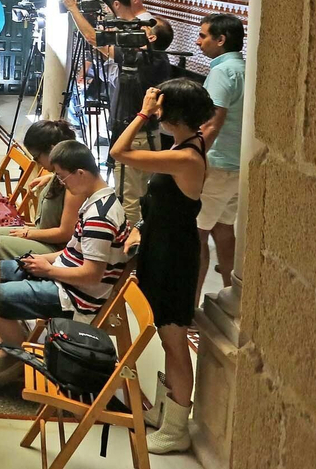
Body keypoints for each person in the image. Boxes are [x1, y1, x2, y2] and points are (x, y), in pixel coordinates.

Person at [0, 140, 130, 391]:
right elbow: (73, 252)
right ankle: (13, 342)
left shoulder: (100, 217)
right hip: (62, 276)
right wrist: (44, 261)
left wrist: (47, 270)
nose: (61, 183)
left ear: (80, 173)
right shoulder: (96, 202)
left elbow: (91, 275)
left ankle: (18, 359)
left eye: (61, 177)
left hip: (74, 296)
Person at [112, 80, 212, 454]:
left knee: (174, 341)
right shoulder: (187, 143)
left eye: (161, 106)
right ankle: (168, 410)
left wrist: (140, 113)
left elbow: (119, 152)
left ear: (173, 114)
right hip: (162, 247)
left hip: (174, 258)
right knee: (166, 336)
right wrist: (140, 230)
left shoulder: (186, 156)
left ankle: (176, 428)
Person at [61, 0, 173, 225]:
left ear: (151, 37)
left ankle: (127, 251)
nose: (136, 30)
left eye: (142, 29)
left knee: (129, 197)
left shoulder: (143, 58)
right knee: (141, 192)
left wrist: (73, 9)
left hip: (134, 135)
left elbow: (93, 39)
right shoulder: (160, 59)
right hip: (148, 134)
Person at [195, 13, 246, 301]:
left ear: (221, 39)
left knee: (196, 235)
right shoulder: (243, 67)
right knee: (224, 232)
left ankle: (188, 309)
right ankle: (233, 299)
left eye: (203, 36)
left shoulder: (222, 72)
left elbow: (212, 123)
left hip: (217, 165)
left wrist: (194, 161)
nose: (199, 41)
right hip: (236, 164)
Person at [0, 118, 80, 258]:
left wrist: (29, 233)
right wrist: (49, 178)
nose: (37, 163)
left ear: (53, 150)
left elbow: (66, 233)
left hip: (56, 248)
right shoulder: (61, 172)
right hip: (43, 236)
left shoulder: (73, 183)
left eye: (37, 158)